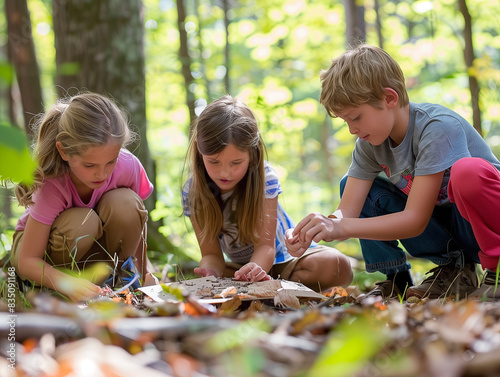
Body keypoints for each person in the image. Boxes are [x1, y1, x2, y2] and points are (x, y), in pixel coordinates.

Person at [285, 44, 500, 300]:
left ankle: (496, 270)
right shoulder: (370, 144)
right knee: (356, 185)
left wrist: (340, 227)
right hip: (446, 227)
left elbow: (415, 219)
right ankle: (403, 278)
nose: (351, 129)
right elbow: (348, 211)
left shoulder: (437, 128)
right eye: (345, 121)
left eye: (356, 117)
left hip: (480, 226)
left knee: (467, 172)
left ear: (389, 98)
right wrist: (320, 226)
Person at [182, 95, 353, 291]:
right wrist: (210, 271)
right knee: (214, 279)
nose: (225, 173)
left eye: (236, 163)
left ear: (252, 152)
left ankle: (270, 286)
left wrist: (257, 268)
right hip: (239, 270)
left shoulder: (266, 179)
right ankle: (271, 288)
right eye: (214, 162)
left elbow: (266, 247)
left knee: (338, 265)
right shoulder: (192, 191)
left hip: (286, 260)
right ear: (198, 148)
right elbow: (211, 255)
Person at [10, 92, 154, 303]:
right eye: (90, 165)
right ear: (64, 151)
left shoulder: (128, 165)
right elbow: (28, 260)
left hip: (93, 253)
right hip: (37, 256)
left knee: (126, 203)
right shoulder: (53, 183)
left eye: (110, 162)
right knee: (82, 222)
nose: (102, 174)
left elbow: (136, 227)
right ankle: (54, 288)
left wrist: (146, 271)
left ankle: (113, 279)